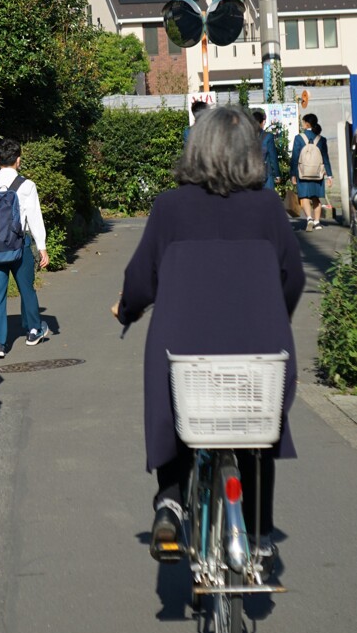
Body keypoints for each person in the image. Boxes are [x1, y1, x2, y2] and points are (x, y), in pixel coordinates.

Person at [114, 105, 303, 568]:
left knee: (175, 408)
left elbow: (142, 278)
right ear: (251, 152)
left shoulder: (169, 207)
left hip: (184, 352)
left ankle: (171, 502)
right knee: (256, 431)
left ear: (193, 148)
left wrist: (129, 308)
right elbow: (293, 278)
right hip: (260, 351)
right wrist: (273, 317)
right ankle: (257, 532)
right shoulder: (267, 208)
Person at [0, 138, 50, 357]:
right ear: (18, 160)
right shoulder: (26, 185)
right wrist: (42, 247)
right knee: (27, 288)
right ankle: (34, 330)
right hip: (20, 244)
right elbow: (35, 218)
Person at [290, 113, 333, 230]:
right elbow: (325, 158)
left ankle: (309, 218)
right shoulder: (321, 139)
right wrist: (329, 175)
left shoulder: (299, 138)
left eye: (303, 122)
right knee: (316, 198)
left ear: (307, 124)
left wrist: (293, 174)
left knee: (304, 197)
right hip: (317, 173)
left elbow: (295, 157)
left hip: (302, 172)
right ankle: (317, 222)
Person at [253, 109, 280, 191]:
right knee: (268, 201)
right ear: (262, 122)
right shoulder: (268, 136)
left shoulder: (246, 136)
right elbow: (273, 157)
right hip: (266, 175)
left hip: (250, 175)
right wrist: (277, 174)